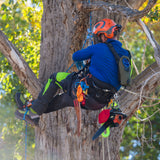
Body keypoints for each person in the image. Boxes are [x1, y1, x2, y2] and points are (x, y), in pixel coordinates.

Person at [15, 19, 131, 125]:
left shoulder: (99, 47)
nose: (98, 39)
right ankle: (32, 112)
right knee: (65, 99)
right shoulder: (126, 54)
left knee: (55, 78)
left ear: (104, 36)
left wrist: (87, 62)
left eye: (99, 36)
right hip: (98, 103)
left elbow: (76, 56)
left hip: (86, 92)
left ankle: (34, 111)